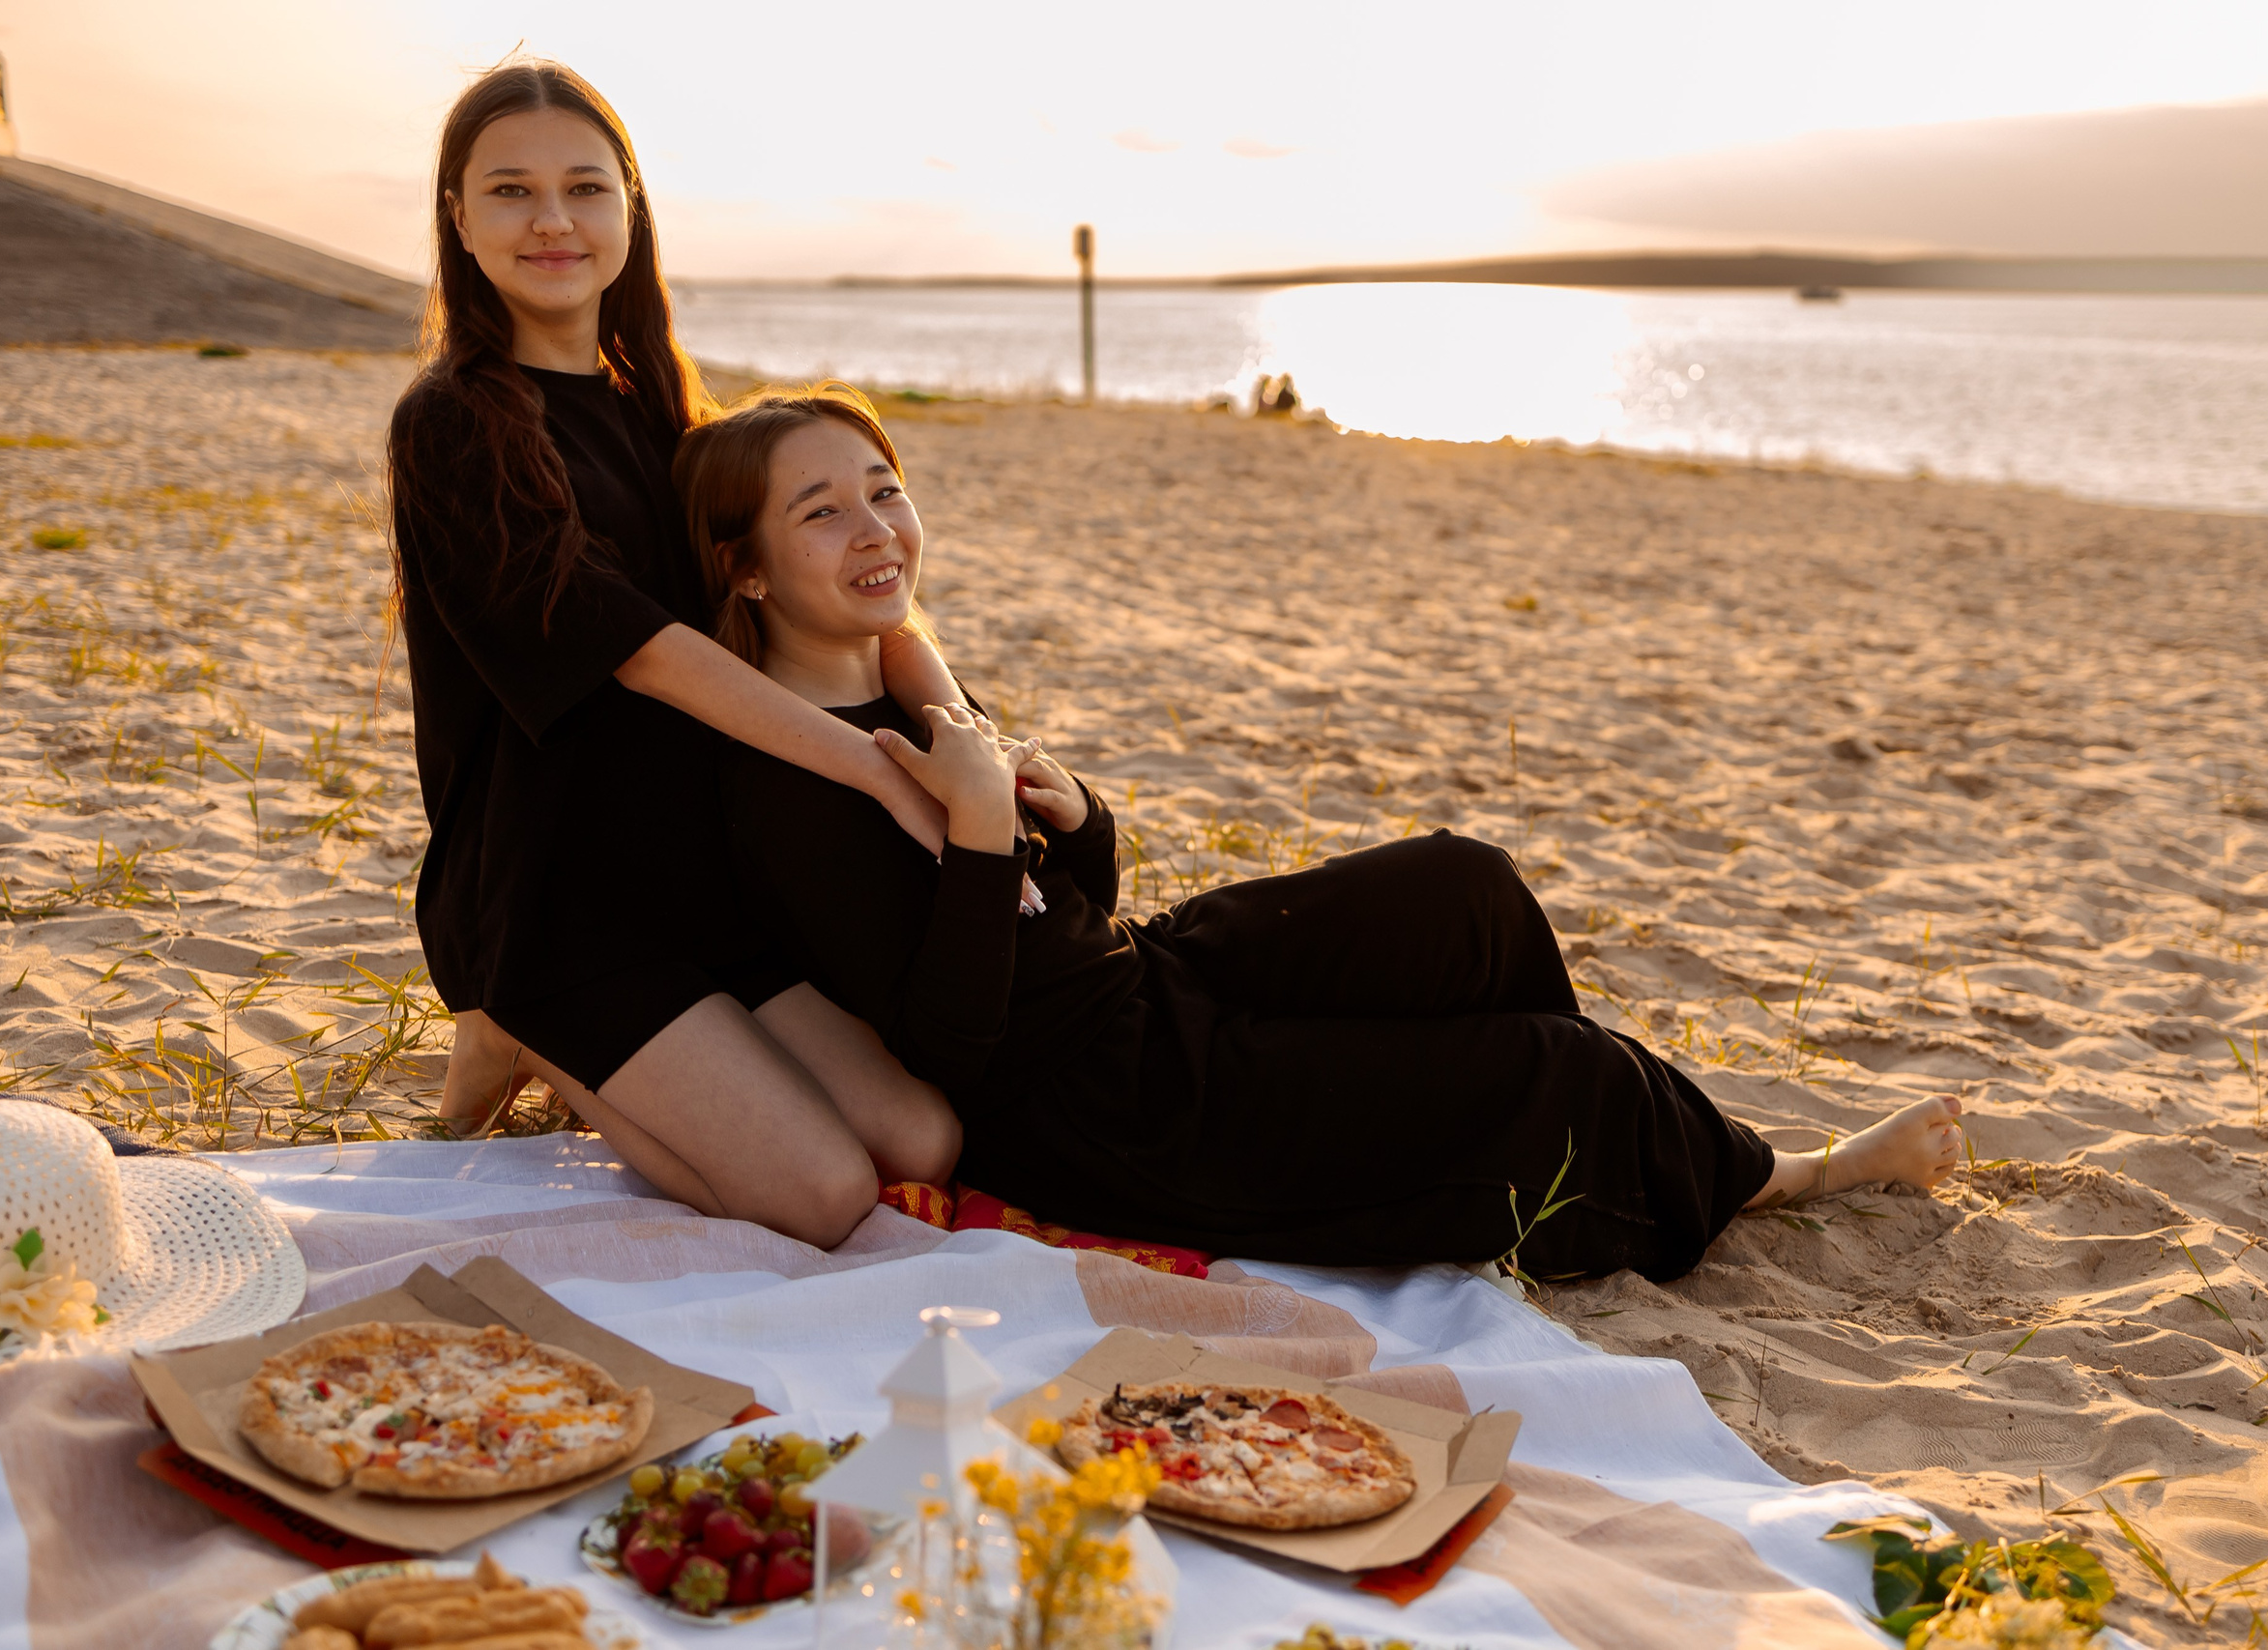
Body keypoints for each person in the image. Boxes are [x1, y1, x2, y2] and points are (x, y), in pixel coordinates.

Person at [678, 388, 1966, 1279]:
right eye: (821, 511)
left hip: (1147, 980)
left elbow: (1056, 904)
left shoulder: (904, 679)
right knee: (1558, 1075)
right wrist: (969, 833)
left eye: (884, 488)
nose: (875, 527)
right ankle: (1787, 1173)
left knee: (1468, 889)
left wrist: (1071, 820)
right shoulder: (783, 784)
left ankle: (1520, 1146)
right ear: (745, 568)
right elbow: (945, 1043)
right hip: (1111, 1110)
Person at [386, 62, 964, 1249]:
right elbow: (637, 653)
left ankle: (538, 1041)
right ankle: (523, 1024)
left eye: (585, 189)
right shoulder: (452, 422)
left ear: (630, 209)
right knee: (819, 1194)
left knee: (921, 1141)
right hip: (551, 890)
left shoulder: (667, 409)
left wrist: (956, 737)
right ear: (459, 217)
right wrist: (869, 772)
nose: (552, 221)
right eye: (510, 191)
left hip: (698, 871)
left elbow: (846, 590)